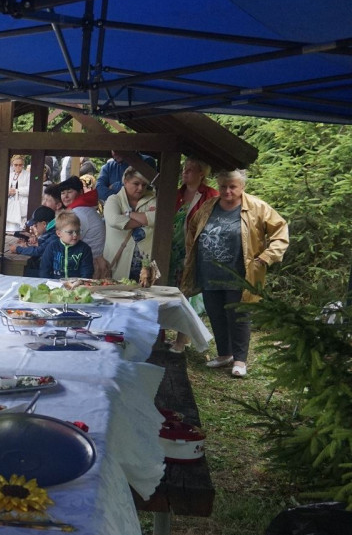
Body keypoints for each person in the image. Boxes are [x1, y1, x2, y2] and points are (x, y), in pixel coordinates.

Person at [181, 169, 288, 377]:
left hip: (240, 273)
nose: (227, 191)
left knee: (238, 316)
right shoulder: (209, 206)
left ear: (242, 187)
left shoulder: (257, 207)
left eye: (233, 187)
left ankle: (240, 361)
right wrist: (192, 255)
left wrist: (266, 257)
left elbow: (281, 232)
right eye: (223, 186)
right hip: (209, 271)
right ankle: (224, 354)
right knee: (216, 313)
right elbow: (193, 228)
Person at [169, 158, 219, 353]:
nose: (185, 173)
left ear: (202, 174)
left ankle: (182, 340)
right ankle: (178, 336)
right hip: (174, 250)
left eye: (190, 170)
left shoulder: (210, 195)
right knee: (173, 292)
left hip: (193, 251)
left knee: (185, 293)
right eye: (184, 169)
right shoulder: (177, 194)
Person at [103, 167, 157, 281]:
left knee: (149, 296)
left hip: (147, 264)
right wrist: (144, 220)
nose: (140, 188)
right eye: (136, 183)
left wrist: (129, 214)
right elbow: (114, 220)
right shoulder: (113, 199)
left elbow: (158, 219)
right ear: (125, 182)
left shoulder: (153, 199)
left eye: (144, 184)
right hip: (119, 263)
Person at [59, 175, 108, 277]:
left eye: (69, 192)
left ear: (81, 192)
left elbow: (67, 241)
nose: (65, 196)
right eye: (63, 193)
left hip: (89, 265)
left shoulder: (79, 213)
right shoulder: (83, 208)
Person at [40, 211, 94, 279]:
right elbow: (44, 269)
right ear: (59, 233)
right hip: (55, 284)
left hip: (77, 285)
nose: (75, 235)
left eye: (77, 231)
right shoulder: (52, 247)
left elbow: (87, 272)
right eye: (70, 232)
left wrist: (81, 283)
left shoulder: (85, 249)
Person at [10, 206, 56, 277]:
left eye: (35, 225)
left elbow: (38, 251)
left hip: (52, 273)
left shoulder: (54, 235)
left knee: (21, 273)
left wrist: (18, 249)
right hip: (49, 269)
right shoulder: (51, 232)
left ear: (44, 224)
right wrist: (28, 245)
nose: (34, 227)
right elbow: (40, 244)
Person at [6, 154, 30, 232]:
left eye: (20, 165)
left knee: (20, 228)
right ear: (12, 165)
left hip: (22, 203)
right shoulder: (9, 175)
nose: (18, 167)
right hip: (10, 203)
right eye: (15, 165)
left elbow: (29, 189)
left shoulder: (27, 175)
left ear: (23, 165)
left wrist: (17, 191)